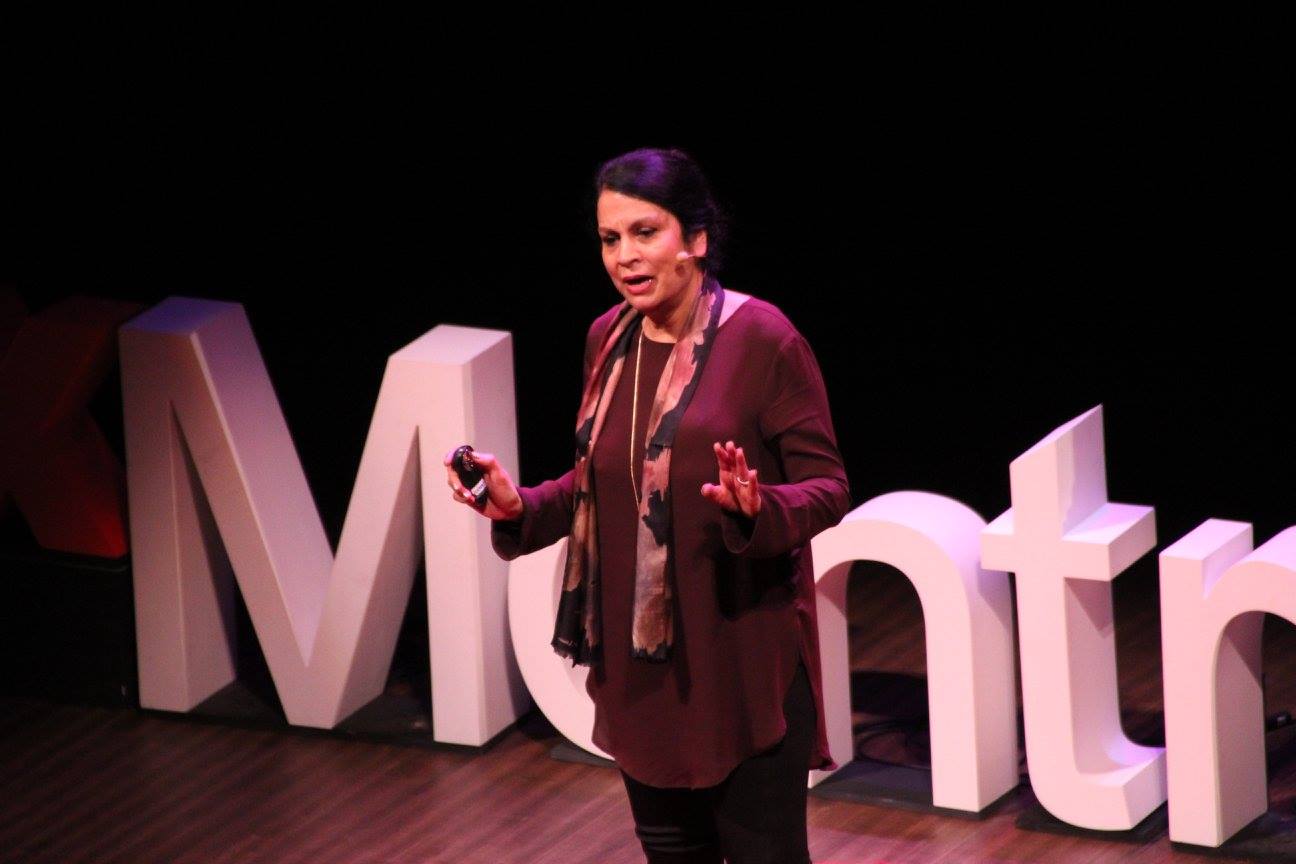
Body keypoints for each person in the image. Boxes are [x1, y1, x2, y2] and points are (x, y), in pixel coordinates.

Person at [444, 148, 850, 864]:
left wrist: (756, 509)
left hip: (739, 665)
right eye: (609, 239)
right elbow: (606, 485)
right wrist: (518, 506)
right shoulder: (609, 339)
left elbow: (827, 489)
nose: (624, 256)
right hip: (643, 672)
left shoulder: (763, 339)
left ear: (695, 239)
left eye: (644, 232)